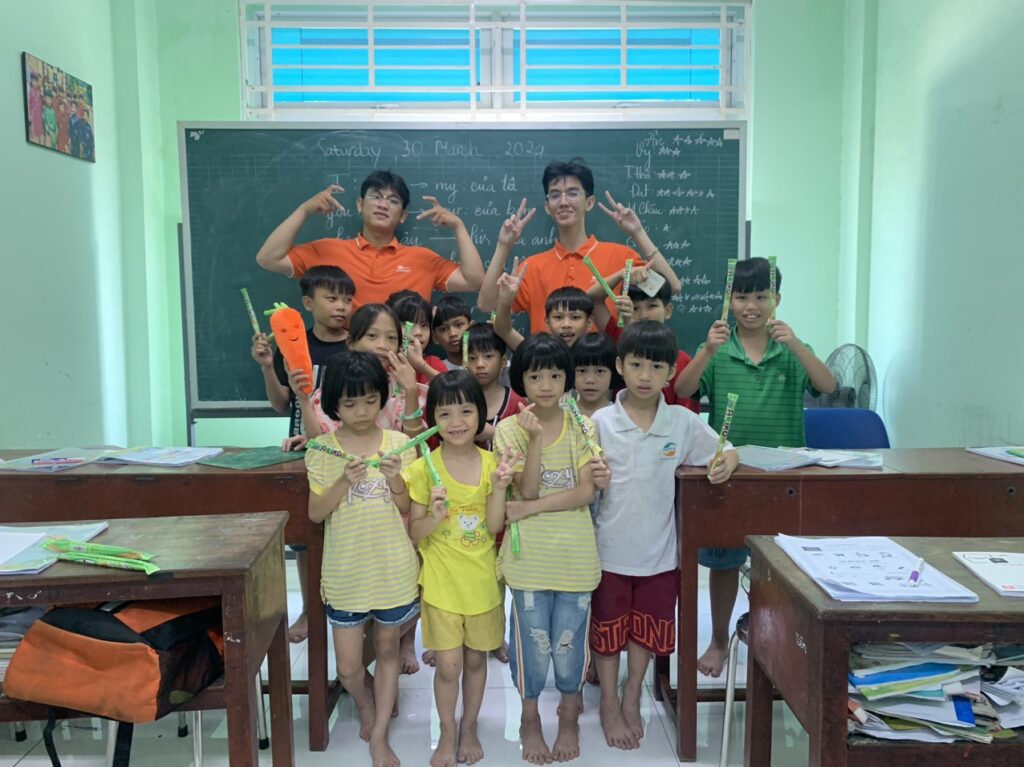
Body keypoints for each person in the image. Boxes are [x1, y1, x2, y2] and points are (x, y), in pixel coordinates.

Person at [673, 257, 836, 678]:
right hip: (730, 474)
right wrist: (707, 350)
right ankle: (718, 640)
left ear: (776, 299)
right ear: (729, 300)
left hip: (784, 479)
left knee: (783, 568)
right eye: (742, 297)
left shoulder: (790, 349)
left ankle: (782, 642)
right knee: (724, 562)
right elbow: (683, 388)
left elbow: (828, 385)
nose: (751, 306)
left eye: (761, 297)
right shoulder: (720, 350)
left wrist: (797, 346)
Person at [590, 321, 738, 749]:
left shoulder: (681, 422)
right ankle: (608, 702)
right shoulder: (600, 421)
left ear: (671, 373)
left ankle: (632, 693)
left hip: (659, 555)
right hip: (607, 552)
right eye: (636, 365)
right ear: (620, 366)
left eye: (657, 367)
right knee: (607, 632)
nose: (645, 376)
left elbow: (725, 449)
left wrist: (726, 462)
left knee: (646, 631)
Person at [493, 334, 610, 764]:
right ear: (521, 380)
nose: (546, 385)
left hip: (575, 557)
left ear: (567, 379)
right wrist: (537, 440)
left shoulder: (583, 424)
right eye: (536, 376)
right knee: (531, 646)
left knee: (569, 643)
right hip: (529, 559)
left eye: (556, 376)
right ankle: (529, 719)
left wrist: (529, 508)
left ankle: (569, 715)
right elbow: (524, 487)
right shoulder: (508, 430)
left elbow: (584, 493)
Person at [304, 351, 418, 767]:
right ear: (334, 404)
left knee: (388, 651)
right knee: (350, 668)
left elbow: (406, 506)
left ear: (382, 398)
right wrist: (342, 481)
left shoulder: (400, 444)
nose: (362, 411)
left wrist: (396, 479)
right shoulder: (322, 449)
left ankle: (380, 735)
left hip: (393, 568)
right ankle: (366, 701)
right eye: (350, 403)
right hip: (346, 572)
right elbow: (316, 513)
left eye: (370, 400)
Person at [404, 370, 515, 767]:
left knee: (475, 661)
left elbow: (494, 526)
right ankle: (448, 733)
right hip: (440, 585)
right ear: (432, 418)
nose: (456, 422)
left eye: (466, 411)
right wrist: (433, 518)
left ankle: (470, 727)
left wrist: (499, 488)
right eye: (445, 413)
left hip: (483, 584)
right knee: (448, 666)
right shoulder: (424, 469)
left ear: (481, 414)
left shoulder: (492, 465)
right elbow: (416, 533)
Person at [250, 265, 354, 642]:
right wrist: (268, 368)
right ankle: (310, 611)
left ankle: (350, 607)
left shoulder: (356, 345)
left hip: (346, 454)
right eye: (332, 298)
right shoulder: (293, 341)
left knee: (346, 533)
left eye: (347, 299)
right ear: (308, 303)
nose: (341, 306)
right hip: (302, 453)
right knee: (304, 539)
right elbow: (282, 404)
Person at [476, 159, 681, 333]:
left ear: (589, 202)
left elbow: (672, 286)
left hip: (606, 365)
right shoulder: (532, 267)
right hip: (548, 366)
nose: (563, 202)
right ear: (547, 207)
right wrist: (503, 245)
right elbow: (486, 304)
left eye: (573, 193)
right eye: (555, 195)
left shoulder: (621, 257)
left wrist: (638, 232)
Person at [255, 171, 484, 306]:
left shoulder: (423, 259)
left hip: (403, 364)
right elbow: (268, 259)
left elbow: (474, 281)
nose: (383, 204)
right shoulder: (327, 250)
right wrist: (304, 210)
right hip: (345, 361)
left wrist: (459, 227)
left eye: (393, 200)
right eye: (375, 196)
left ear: (403, 216)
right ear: (359, 205)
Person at [586, 272, 700, 413]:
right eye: (634, 308)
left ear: (668, 310)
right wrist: (622, 274)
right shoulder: (618, 337)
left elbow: (685, 415)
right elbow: (592, 299)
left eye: (651, 306)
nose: (643, 315)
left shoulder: (681, 361)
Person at [464, 322, 523, 450]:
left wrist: (493, 434)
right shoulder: (457, 401)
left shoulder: (518, 404)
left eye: (488, 356)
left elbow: (525, 445)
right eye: (472, 358)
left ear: (503, 361)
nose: (480, 364)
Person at [493, 278, 593, 352]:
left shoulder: (598, 354)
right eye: (558, 317)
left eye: (575, 317)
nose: (566, 324)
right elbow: (504, 330)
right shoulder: (538, 355)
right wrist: (505, 301)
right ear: (547, 323)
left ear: (589, 322)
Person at [388, 292, 447, 384]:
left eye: (424, 325)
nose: (418, 332)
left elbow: (456, 390)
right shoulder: (383, 362)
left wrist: (422, 366)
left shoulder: (433, 363)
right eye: (408, 325)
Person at [431, 295, 473, 370]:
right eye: (443, 329)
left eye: (458, 325)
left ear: (472, 327)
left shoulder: (486, 365)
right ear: (435, 338)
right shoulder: (434, 369)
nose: (453, 334)